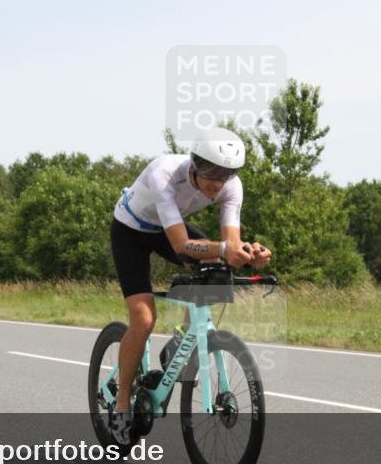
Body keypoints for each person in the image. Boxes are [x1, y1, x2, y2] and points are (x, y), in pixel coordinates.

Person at [108, 128, 272, 443]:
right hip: (131, 231)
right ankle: (122, 403)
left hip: (167, 227)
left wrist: (249, 254)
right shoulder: (164, 174)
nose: (217, 182)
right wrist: (225, 249)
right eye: (210, 171)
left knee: (218, 269)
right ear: (195, 163)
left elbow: (230, 243)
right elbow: (181, 244)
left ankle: (178, 345)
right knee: (143, 319)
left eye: (226, 174)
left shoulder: (230, 187)